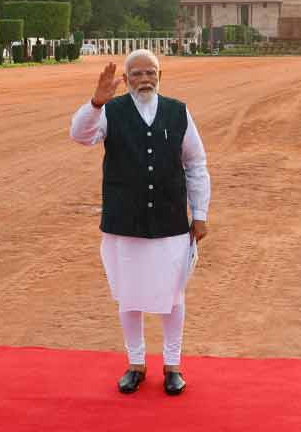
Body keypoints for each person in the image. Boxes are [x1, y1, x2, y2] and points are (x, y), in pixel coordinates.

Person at [70, 49, 210, 396]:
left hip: (170, 219)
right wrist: (95, 103)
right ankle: (135, 364)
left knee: (173, 296)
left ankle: (173, 366)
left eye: (151, 73)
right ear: (126, 79)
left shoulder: (178, 112)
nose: (145, 79)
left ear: (160, 76)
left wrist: (201, 214)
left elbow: (195, 164)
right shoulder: (110, 111)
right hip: (124, 219)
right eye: (137, 74)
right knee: (129, 297)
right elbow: (80, 136)